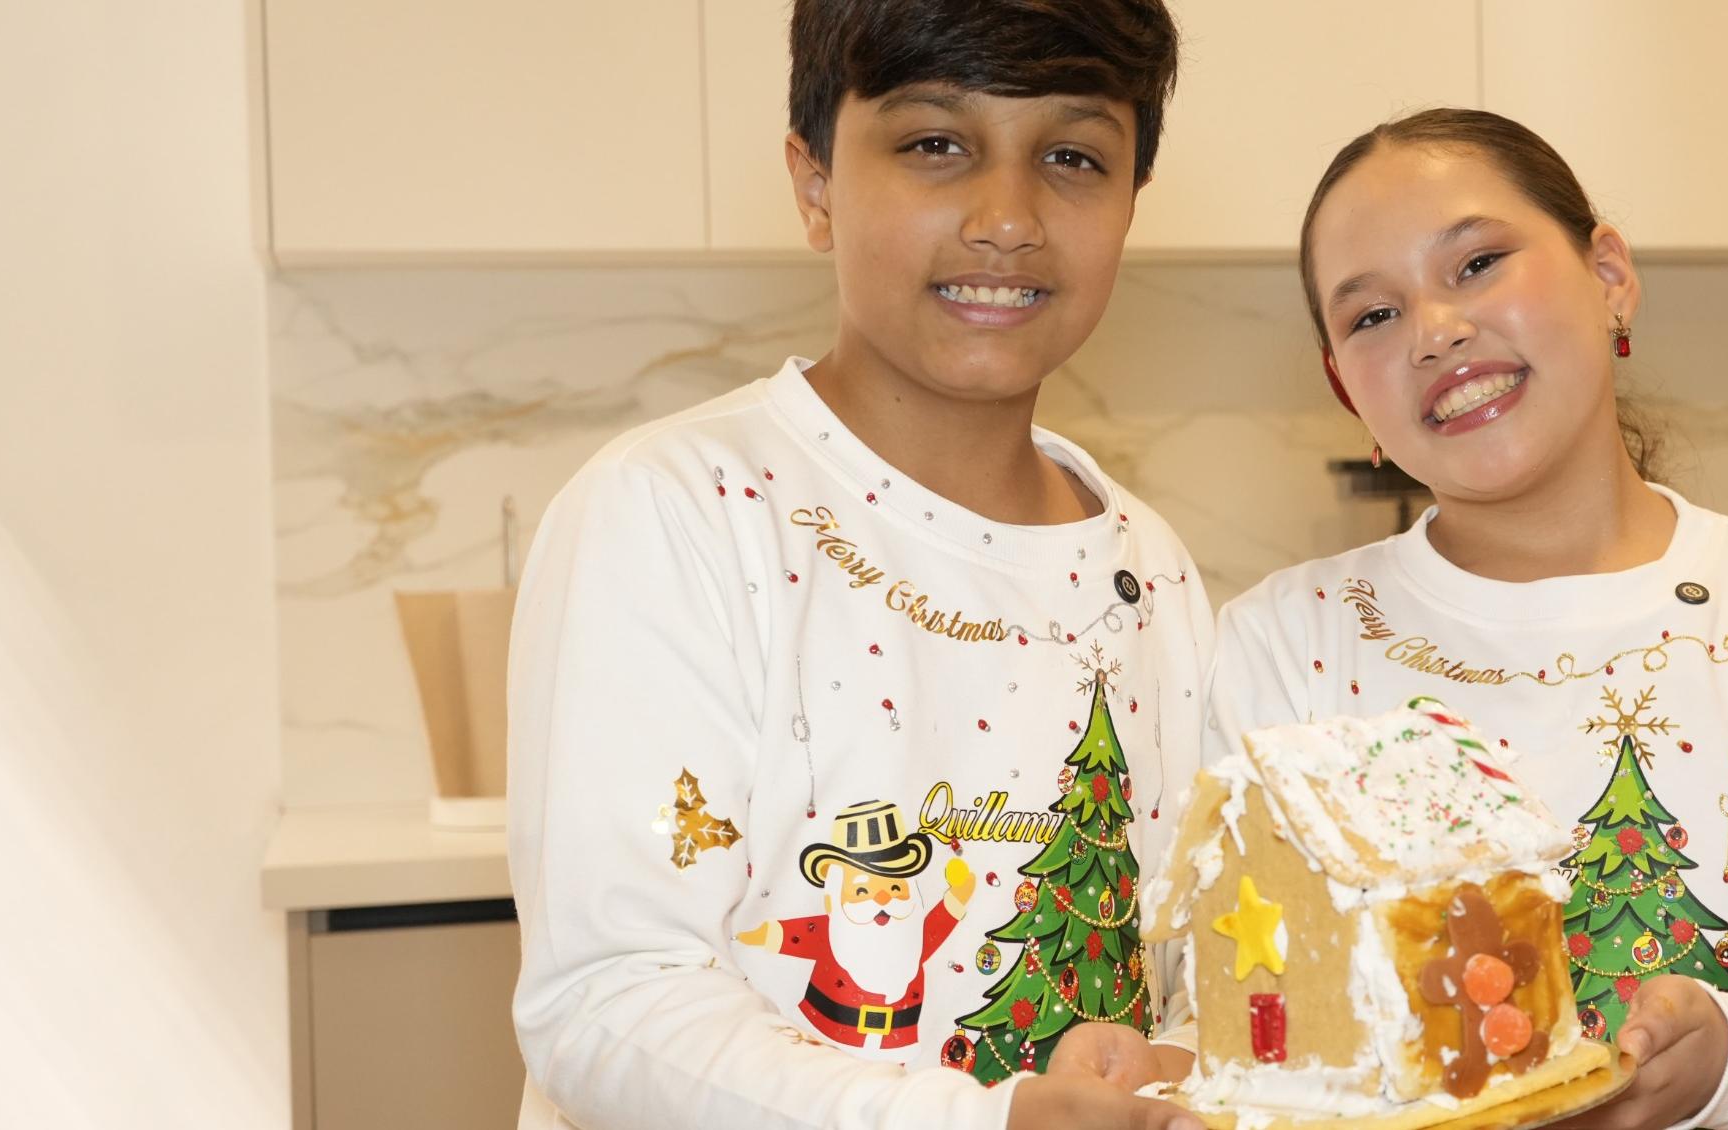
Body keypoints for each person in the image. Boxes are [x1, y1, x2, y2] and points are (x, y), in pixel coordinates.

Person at [1203, 109, 1728, 1129]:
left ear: (1608, 276)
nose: (1434, 330)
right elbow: (1254, 1032)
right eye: (1371, 316)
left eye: (1477, 263)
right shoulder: (1290, 639)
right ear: (1344, 388)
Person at [505, 2, 1206, 1127]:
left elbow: (1182, 976)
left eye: (1072, 157)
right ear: (815, 179)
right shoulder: (678, 511)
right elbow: (608, 999)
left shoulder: (1150, 569)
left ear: (1131, 203)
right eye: (936, 143)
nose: (1008, 217)